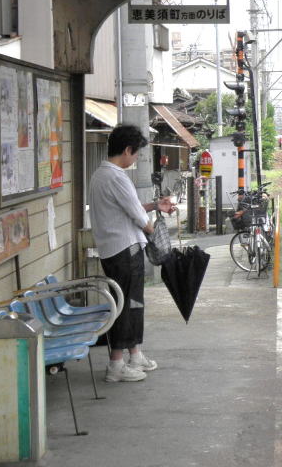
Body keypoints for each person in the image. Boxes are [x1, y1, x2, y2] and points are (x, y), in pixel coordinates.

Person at [89, 124, 176, 383]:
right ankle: (116, 364)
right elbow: (140, 218)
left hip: (113, 250)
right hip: (126, 251)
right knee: (127, 305)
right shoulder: (117, 177)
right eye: (136, 153)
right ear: (127, 150)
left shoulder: (100, 176)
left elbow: (129, 208)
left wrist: (153, 205)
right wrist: (155, 234)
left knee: (131, 303)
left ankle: (135, 354)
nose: (136, 158)